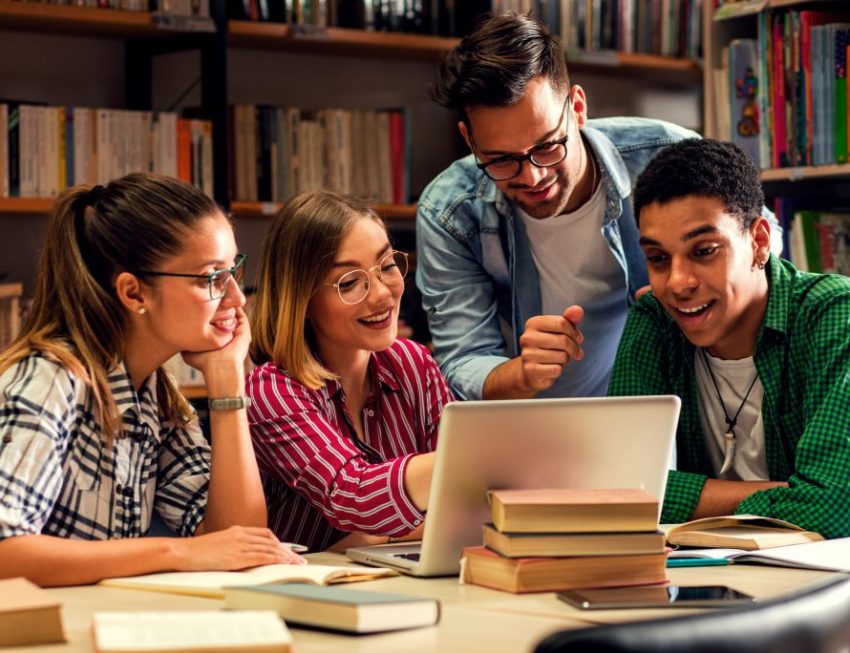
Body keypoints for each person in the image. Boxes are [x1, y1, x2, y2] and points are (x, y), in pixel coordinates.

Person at [0, 173, 302, 595]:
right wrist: (175, 553)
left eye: (234, 270)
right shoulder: (46, 379)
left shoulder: (156, 395)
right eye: (211, 277)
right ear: (133, 293)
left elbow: (238, 541)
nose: (237, 298)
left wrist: (227, 382)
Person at [417, 13, 781, 401]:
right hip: (526, 429)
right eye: (502, 160)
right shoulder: (449, 212)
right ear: (469, 141)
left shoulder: (664, 155)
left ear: (577, 108)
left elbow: (763, 242)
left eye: (547, 147)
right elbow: (462, 361)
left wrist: (694, 293)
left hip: (668, 413)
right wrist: (521, 373)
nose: (533, 177)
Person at [609, 138, 850, 538]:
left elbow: (833, 506)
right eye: (658, 258)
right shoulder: (654, 322)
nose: (678, 283)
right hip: (704, 579)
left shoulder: (834, 314)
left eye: (704, 251)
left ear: (758, 241)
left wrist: (682, 497)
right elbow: (617, 489)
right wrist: (781, 494)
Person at [248, 190, 453, 552]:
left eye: (387, 266)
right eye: (349, 283)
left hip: (400, 582)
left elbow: (461, 506)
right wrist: (466, 462)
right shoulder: (270, 391)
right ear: (303, 299)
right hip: (301, 594)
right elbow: (353, 496)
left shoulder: (414, 363)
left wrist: (376, 537)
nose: (381, 295)